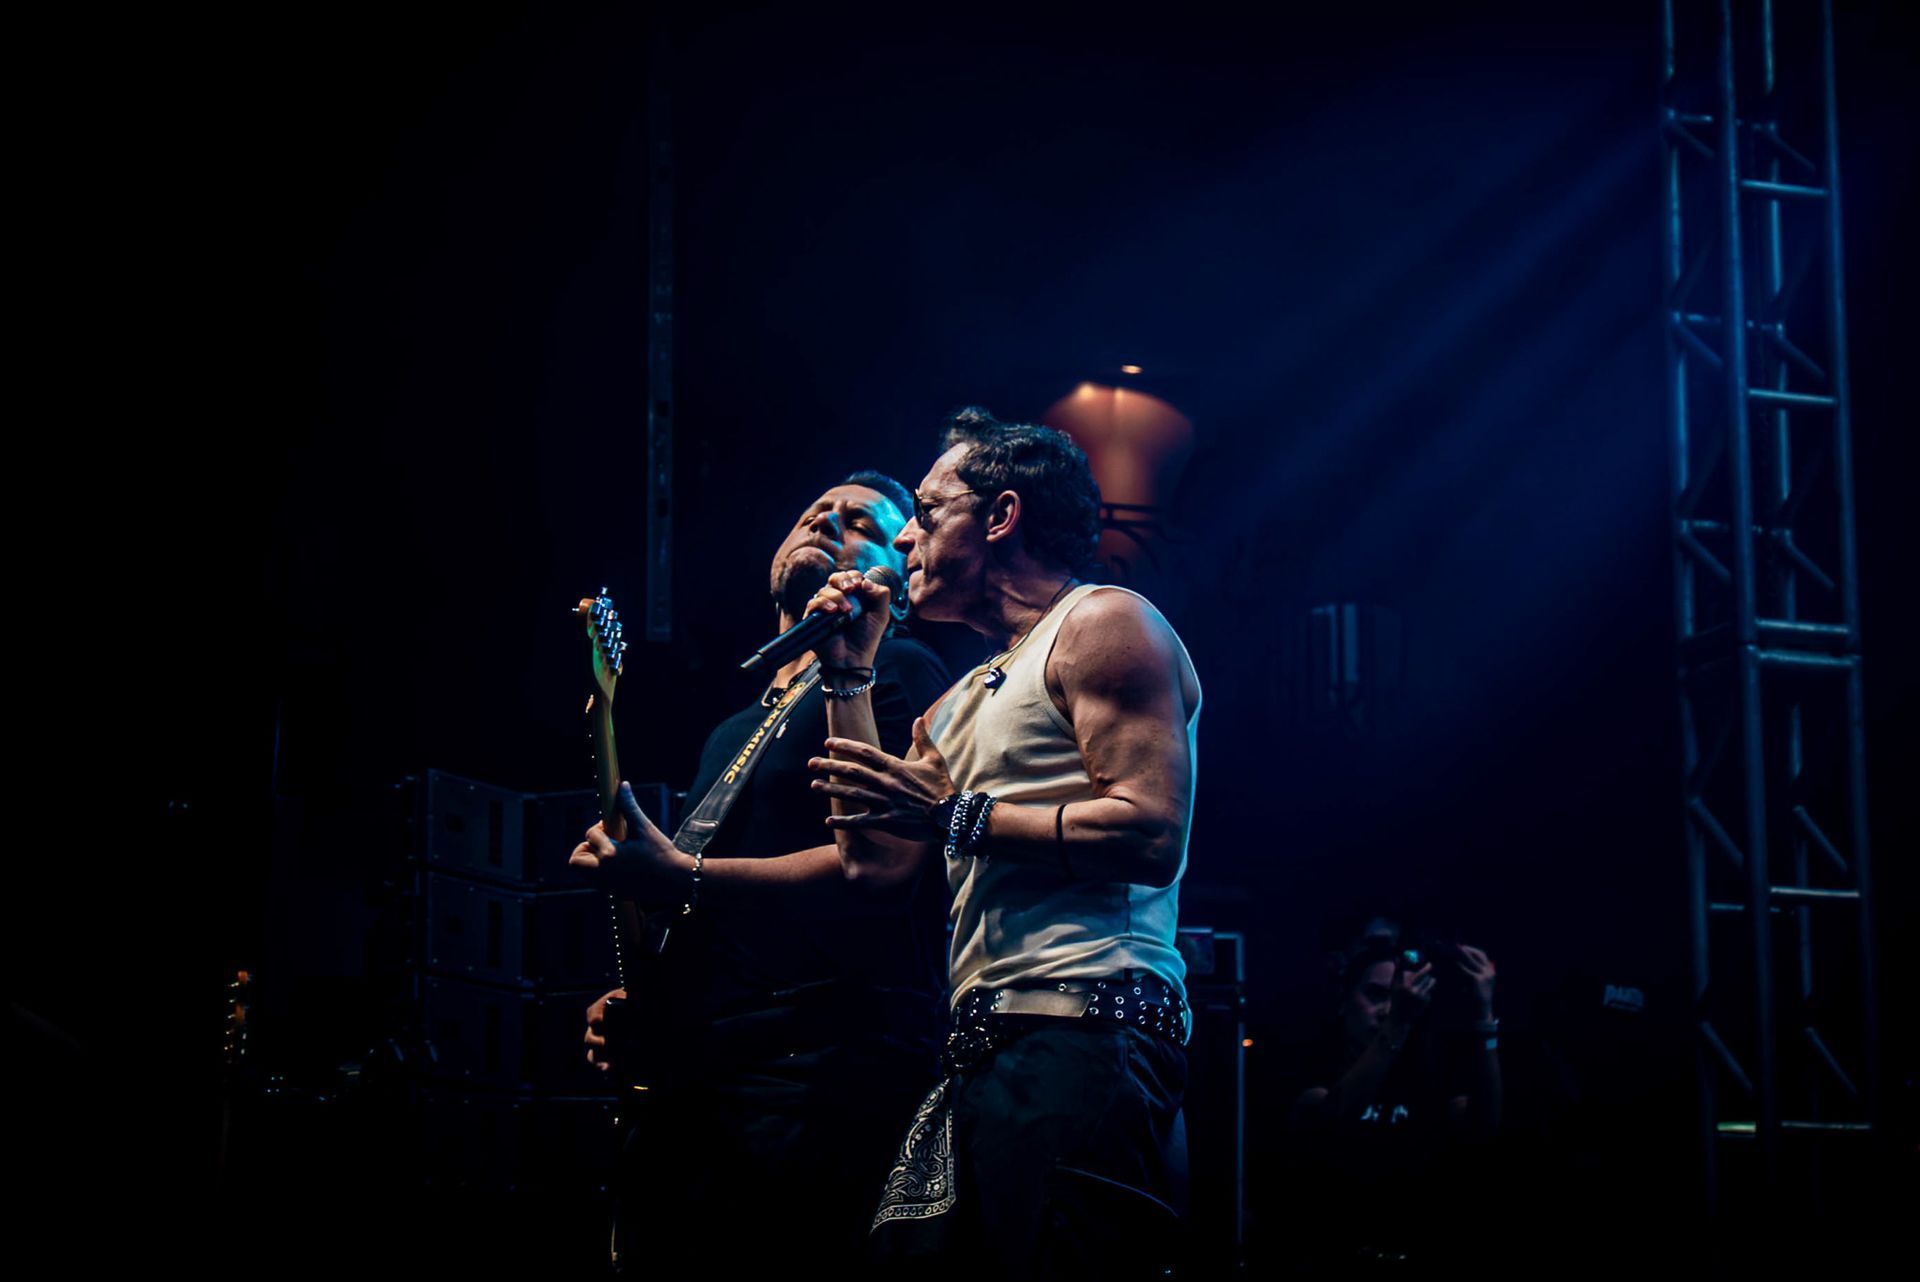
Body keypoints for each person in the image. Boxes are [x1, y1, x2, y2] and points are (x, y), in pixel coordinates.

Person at [801, 408, 1203, 1279]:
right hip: (981, 1058)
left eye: (932, 510)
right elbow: (875, 864)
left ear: (1000, 515)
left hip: (1088, 1033)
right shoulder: (951, 707)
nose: (905, 536)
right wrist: (847, 672)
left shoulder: (1102, 621)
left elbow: (1149, 830)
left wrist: (959, 816)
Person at [569, 471, 952, 1278]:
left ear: (897, 579)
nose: (826, 522)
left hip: (824, 1068)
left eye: (858, 524)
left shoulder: (904, 673)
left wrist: (684, 875)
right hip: (713, 1075)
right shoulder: (733, 727)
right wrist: (653, 996)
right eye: (815, 511)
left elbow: (882, 865)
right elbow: (707, 901)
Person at [1284, 918, 1502, 1270]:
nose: (1386, 1008)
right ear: (1344, 1000)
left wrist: (1484, 1015)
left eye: (1395, 998)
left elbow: (1483, 1127)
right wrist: (1397, 1024)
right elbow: (1329, 1120)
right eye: (1375, 995)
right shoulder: (1312, 1063)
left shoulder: (1430, 1073)